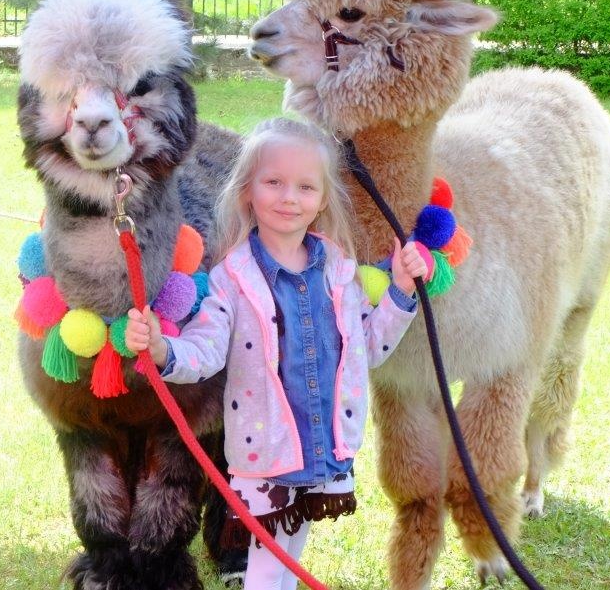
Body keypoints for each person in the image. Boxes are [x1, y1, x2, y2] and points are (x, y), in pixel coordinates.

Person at [125, 117, 427, 590]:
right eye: (274, 183)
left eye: (306, 187)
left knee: (290, 553)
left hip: (320, 445)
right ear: (247, 189)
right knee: (267, 564)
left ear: (323, 199)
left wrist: (401, 293)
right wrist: (164, 349)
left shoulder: (339, 271)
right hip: (266, 453)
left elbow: (366, 349)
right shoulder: (231, 278)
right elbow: (207, 351)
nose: (290, 198)